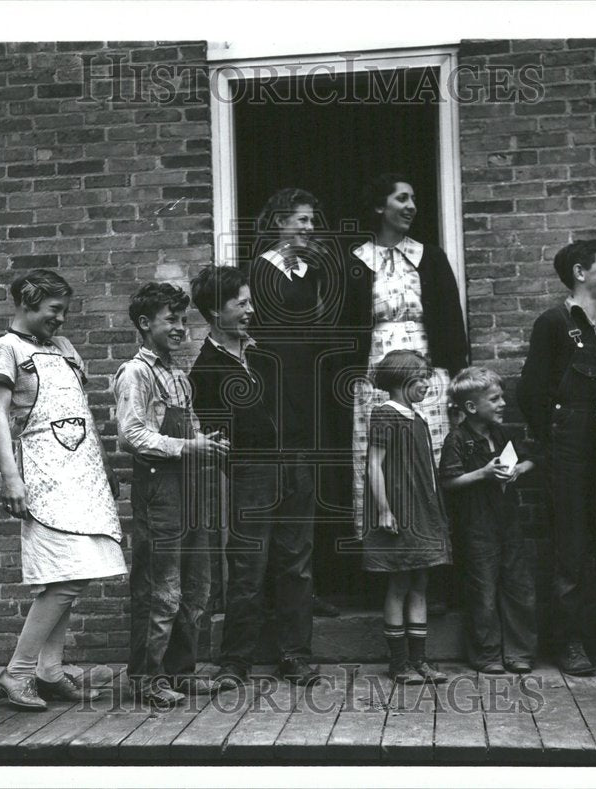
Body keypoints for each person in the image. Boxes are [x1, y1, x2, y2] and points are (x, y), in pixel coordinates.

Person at [0, 270, 126, 710]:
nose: (61, 320)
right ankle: (18, 673)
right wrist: (11, 478)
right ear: (27, 304)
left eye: (64, 310)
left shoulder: (62, 349)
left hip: (81, 475)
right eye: (53, 310)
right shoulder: (5, 349)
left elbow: (79, 413)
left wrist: (101, 465)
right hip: (44, 475)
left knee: (72, 574)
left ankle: (48, 672)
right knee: (63, 577)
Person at [188, 264, 320, 687]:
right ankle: (235, 662)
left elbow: (297, 409)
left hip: (295, 468)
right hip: (252, 474)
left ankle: (295, 656)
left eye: (249, 301)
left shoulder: (266, 354)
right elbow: (217, 435)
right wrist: (247, 469)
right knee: (247, 567)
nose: (250, 309)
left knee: (296, 567)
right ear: (214, 311)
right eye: (240, 302)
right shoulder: (204, 371)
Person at [343, 174, 468, 610]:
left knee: (427, 460)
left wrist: (452, 375)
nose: (411, 205)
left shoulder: (429, 258)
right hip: (374, 377)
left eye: (414, 198)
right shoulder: (356, 261)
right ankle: (385, 569)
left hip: (427, 374)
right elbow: (343, 328)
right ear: (380, 208)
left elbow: (451, 320)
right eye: (402, 198)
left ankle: (434, 567)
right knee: (378, 464)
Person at [115, 282, 230, 708]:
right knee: (159, 587)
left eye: (184, 320)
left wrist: (206, 440)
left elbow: (190, 428)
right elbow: (132, 434)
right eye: (172, 320)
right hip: (159, 490)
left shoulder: (178, 376)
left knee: (196, 588)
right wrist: (188, 446)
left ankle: (181, 673)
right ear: (145, 324)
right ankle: (146, 677)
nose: (181, 327)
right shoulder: (136, 372)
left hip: (191, 489)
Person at [517, 239, 596, 676]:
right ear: (581, 273)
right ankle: (571, 644)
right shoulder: (554, 323)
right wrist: (554, 441)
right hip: (568, 451)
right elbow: (530, 392)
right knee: (571, 547)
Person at [244, 188, 343, 618]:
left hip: (309, 385)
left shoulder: (311, 271)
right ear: (279, 222)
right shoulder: (259, 270)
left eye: (311, 221)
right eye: (301, 220)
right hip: (275, 387)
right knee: (274, 493)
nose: (309, 228)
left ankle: (305, 588)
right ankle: (266, 596)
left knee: (309, 489)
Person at [362, 349, 452, 684]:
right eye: (421, 379)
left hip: (421, 511)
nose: (427, 385)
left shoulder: (418, 418)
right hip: (399, 512)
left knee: (420, 582)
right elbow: (373, 465)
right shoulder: (385, 415)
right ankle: (398, 663)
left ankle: (420, 660)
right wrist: (384, 509)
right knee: (399, 582)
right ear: (401, 379)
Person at [439, 368, 537, 674]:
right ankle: (486, 654)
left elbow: (530, 459)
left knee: (519, 588)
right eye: (494, 399)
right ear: (471, 407)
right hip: (476, 526)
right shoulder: (458, 439)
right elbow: (449, 481)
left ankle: (519, 653)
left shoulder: (501, 434)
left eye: (501, 397)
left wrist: (520, 469)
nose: (502, 403)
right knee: (483, 591)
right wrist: (483, 473)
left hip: (508, 521)